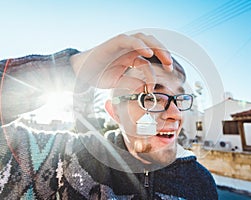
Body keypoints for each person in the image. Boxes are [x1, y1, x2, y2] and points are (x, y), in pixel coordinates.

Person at [0, 33, 218, 199]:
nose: (175, 114)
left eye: (179, 99)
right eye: (151, 97)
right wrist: (72, 68)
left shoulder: (201, 183)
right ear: (114, 112)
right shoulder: (60, 159)